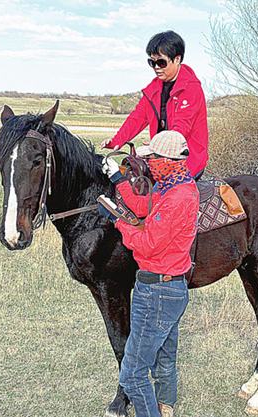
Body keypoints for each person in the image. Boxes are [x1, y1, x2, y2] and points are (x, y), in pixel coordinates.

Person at [99, 131, 199, 417]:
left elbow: (147, 243)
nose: (149, 162)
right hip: (171, 288)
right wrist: (119, 182)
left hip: (156, 291)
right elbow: (144, 207)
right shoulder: (175, 185)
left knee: (132, 375)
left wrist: (117, 222)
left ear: (167, 160)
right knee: (165, 357)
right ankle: (165, 402)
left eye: (153, 157)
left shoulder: (176, 198)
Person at [101, 30, 208, 179]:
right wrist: (116, 141)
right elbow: (137, 118)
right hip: (160, 157)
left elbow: (181, 127)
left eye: (161, 62)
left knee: (159, 196)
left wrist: (159, 145)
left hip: (186, 160)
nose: (156, 67)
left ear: (177, 59)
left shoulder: (191, 88)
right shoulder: (154, 89)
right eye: (152, 62)